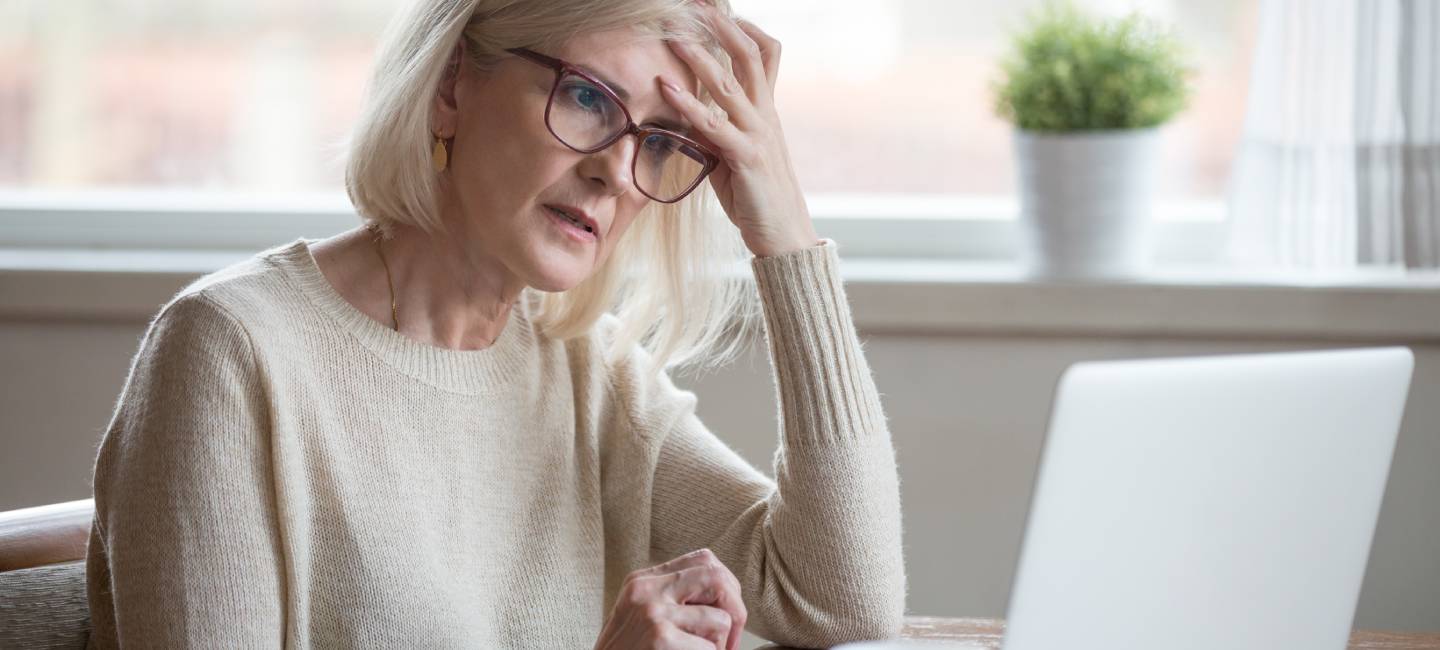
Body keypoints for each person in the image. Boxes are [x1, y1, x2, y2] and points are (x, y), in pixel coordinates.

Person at [84, 0, 906, 647]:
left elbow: (839, 596)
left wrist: (785, 234)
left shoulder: (589, 374)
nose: (616, 172)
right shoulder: (229, 352)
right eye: (588, 98)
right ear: (451, 85)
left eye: (659, 143)